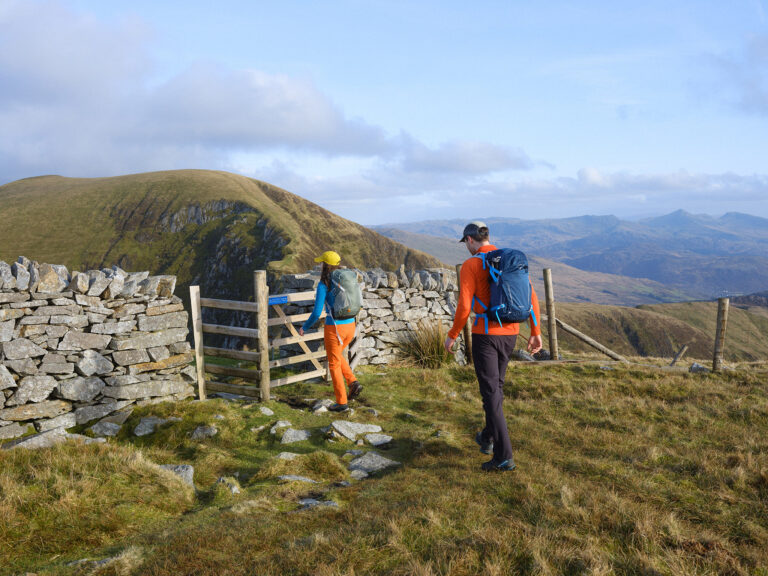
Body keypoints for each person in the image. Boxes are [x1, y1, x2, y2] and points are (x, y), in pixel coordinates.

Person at [444, 221, 542, 472]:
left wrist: (453, 334)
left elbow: (465, 306)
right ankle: (487, 436)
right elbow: (531, 297)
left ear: (469, 240)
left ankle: (504, 456)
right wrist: (535, 331)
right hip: (511, 333)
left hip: (485, 336)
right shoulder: (510, 260)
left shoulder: (472, 264)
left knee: (491, 394)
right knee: (495, 389)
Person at [298, 250, 362, 412]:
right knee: (338, 356)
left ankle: (341, 403)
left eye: (321, 263)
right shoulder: (344, 280)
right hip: (350, 325)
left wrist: (304, 327)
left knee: (333, 363)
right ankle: (353, 383)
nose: (320, 265)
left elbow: (317, 312)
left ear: (325, 265)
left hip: (335, 328)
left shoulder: (324, 284)